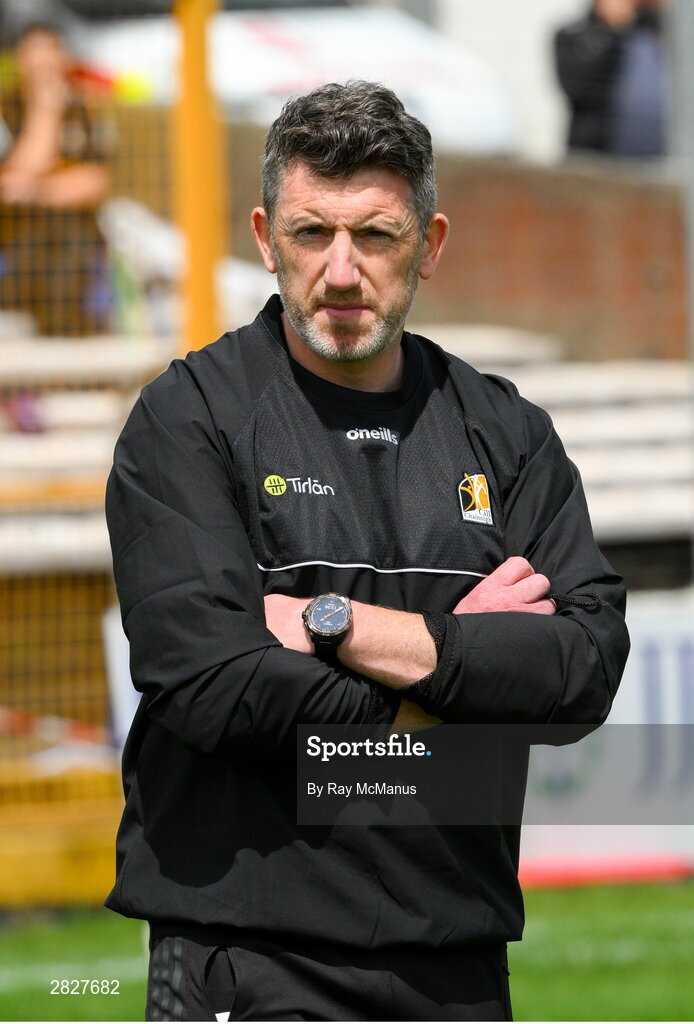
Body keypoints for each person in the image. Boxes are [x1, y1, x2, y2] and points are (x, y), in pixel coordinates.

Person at [105, 81, 630, 1022]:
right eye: (313, 234)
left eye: (376, 236)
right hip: (247, 958)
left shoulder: (506, 432)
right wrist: (454, 677)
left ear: (428, 245)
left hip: (456, 958)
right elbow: (211, 685)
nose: (341, 272)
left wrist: (326, 624)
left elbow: (583, 671)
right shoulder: (188, 419)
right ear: (266, 239)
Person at [0, 22, 113, 336]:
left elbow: (93, 181)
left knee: (68, 253)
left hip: (73, 234)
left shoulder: (85, 109)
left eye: (50, 50)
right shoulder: (6, 109)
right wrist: (46, 113)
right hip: (16, 236)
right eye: (34, 52)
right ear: (19, 60)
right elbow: (11, 180)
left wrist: (35, 189)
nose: (43, 61)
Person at [554, 0, 667, 156]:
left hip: (659, 159)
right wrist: (611, 30)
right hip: (597, 159)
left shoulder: (654, 34)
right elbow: (580, 90)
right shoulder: (573, 36)